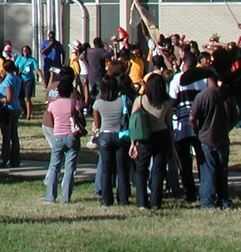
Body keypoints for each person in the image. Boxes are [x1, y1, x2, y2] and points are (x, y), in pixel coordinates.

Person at [190, 72, 234, 209]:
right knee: (222, 170)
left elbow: (192, 118)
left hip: (206, 137)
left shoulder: (203, 96)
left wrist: (197, 130)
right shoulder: (227, 96)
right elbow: (234, 115)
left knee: (208, 171)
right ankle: (224, 199)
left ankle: (207, 202)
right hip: (222, 137)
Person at [129, 72, 173, 210]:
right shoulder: (166, 103)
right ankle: (156, 202)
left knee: (141, 169)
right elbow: (169, 125)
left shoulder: (140, 100)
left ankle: (142, 202)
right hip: (162, 135)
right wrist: (172, 145)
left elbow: (134, 123)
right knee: (158, 170)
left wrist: (133, 143)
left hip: (144, 137)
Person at [168, 54, 207, 202]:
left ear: (184, 64)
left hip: (181, 124)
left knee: (184, 161)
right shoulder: (202, 80)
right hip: (199, 124)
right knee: (202, 159)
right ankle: (205, 189)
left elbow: (172, 102)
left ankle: (190, 192)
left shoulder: (177, 79)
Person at [92, 74, 131, 206]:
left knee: (106, 170)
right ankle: (124, 198)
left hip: (105, 136)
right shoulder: (122, 101)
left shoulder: (98, 103)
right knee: (122, 169)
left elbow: (97, 125)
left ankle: (106, 200)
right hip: (120, 136)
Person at [44, 78, 83, 203]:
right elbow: (81, 116)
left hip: (58, 136)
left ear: (58, 92)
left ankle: (50, 197)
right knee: (70, 168)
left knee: (54, 166)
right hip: (72, 135)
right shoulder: (74, 103)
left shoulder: (52, 105)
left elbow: (51, 120)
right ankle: (65, 197)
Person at [0, 60, 22, 168]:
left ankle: (6, 159)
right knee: (14, 135)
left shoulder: (8, 81)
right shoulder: (17, 78)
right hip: (17, 107)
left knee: (6, 136)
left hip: (8, 109)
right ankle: (15, 159)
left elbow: (9, 98)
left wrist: (0, 99)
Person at [14, 45, 43, 119]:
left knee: (27, 98)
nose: (25, 52)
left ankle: (28, 115)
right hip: (21, 79)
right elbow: (15, 68)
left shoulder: (32, 60)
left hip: (29, 80)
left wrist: (43, 79)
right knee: (20, 97)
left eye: (27, 51)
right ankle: (24, 111)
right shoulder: (19, 58)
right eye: (24, 51)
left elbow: (37, 70)